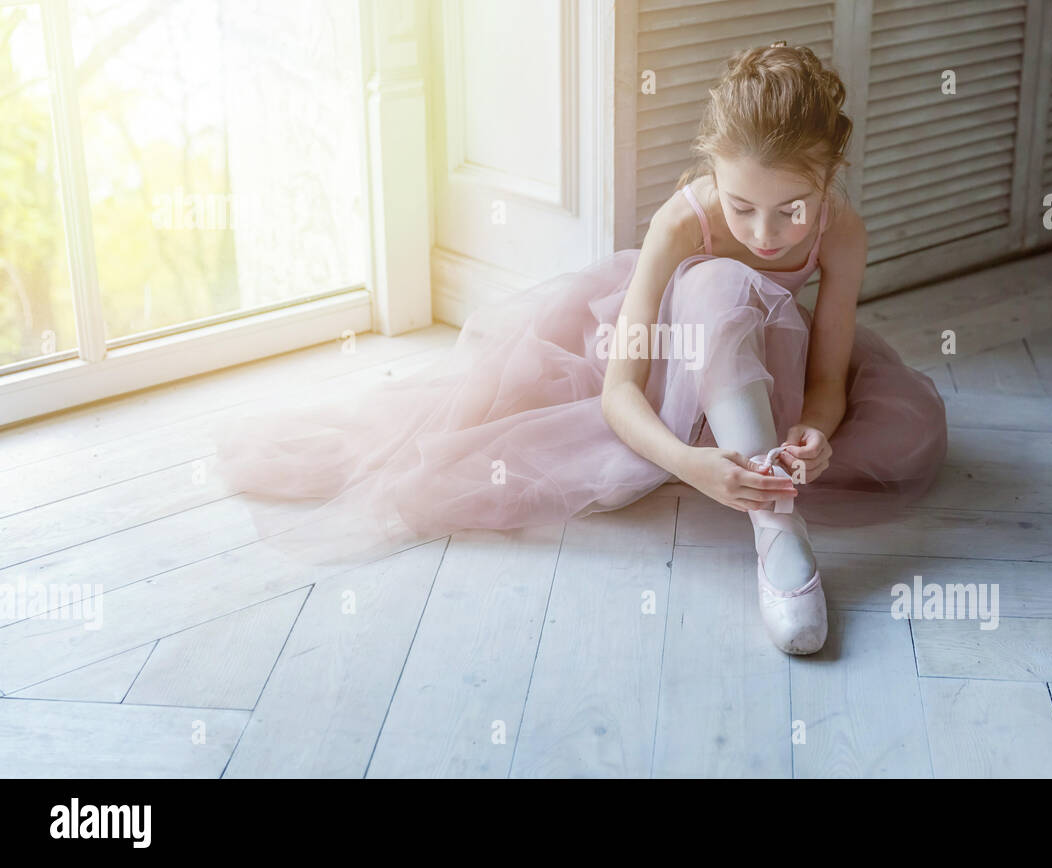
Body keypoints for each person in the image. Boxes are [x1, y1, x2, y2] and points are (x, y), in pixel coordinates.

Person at [212, 42, 948, 656]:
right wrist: (689, 466)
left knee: (749, 304)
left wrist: (815, 430)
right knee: (717, 286)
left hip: (765, 383)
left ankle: (767, 498)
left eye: (791, 211)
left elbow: (827, 375)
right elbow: (619, 392)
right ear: (712, 175)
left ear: (830, 179)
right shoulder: (681, 222)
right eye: (740, 206)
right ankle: (779, 536)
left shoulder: (842, 233)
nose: (764, 235)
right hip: (671, 377)